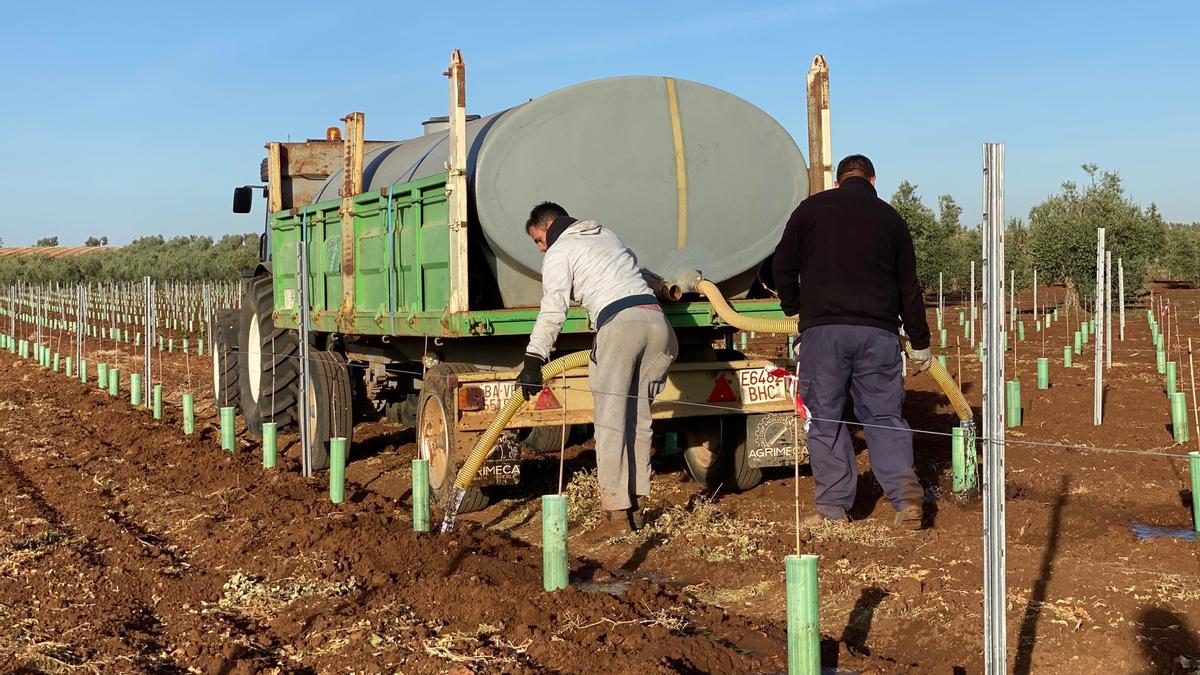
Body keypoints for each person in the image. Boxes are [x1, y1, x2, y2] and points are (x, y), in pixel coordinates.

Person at [772, 154, 932, 530]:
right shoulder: (891, 219)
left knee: (824, 417)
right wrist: (920, 340)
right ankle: (906, 499)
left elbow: (782, 266)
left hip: (824, 333)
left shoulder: (809, 211)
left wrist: (795, 308)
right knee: (884, 416)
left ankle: (833, 509)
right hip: (879, 334)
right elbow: (909, 286)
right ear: (872, 181)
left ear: (838, 181)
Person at [517, 202, 679, 533]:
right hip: (658, 326)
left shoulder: (560, 250)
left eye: (538, 240)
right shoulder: (607, 236)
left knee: (611, 422)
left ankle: (617, 514)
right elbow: (638, 271)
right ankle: (637, 504)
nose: (541, 248)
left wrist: (534, 357)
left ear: (548, 226)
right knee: (638, 419)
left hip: (621, 327)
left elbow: (554, 309)